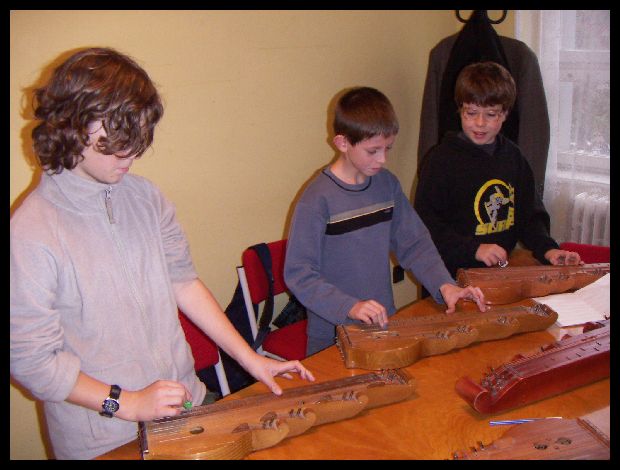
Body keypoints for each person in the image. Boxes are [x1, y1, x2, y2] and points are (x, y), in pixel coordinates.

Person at [10, 47, 314, 460]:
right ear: (72, 125)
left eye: (138, 142)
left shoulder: (146, 198)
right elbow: (32, 362)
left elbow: (183, 282)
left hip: (184, 406)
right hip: (105, 437)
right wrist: (129, 402)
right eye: (118, 143)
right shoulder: (32, 232)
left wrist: (252, 359)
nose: (131, 157)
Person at [283, 87, 487, 356]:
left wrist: (445, 285)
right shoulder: (317, 199)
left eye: (387, 148)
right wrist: (349, 307)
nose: (382, 159)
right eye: (373, 150)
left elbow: (414, 244)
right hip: (333, 333)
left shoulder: (386, 185)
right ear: (343, 143)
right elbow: (299, 274)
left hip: (381, 322)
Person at [414, 61, 581, 281]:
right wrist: (473, 249)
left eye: (491, 114)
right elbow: (425, 224)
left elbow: (529, 216)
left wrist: (548, 249)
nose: (480, 123)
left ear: (505, 114)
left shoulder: (513, 157)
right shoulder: (440, 160)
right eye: (471, 113)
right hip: (448, 276)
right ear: (460, 109)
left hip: (497, 274)